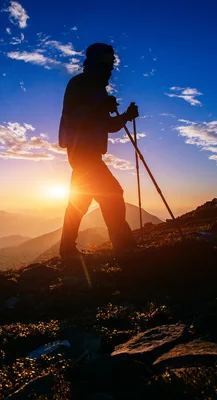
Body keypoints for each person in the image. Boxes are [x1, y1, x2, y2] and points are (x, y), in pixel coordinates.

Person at [58, 42, 139, 262]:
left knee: (79, 202)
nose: (110, 70)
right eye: (107, 65)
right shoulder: (80, 85)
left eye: (111, 66)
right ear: (96, 64)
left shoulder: (95, 89)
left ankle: (66, 249)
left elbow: (108, 126)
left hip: (85, 155)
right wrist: (102, 107)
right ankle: (123, 248)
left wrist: (126, 116)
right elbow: (76, 117)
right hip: (83, 154)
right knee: (113, 193)